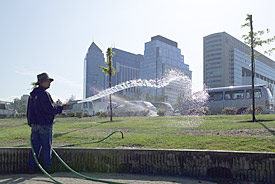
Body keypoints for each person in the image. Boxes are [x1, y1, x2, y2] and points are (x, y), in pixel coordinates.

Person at [27, 72, 71, 174]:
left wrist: (31, 123)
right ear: (42, 82)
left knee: (35, 148)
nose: (49, 83)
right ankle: (47, 168)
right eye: (48, 81)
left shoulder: (32, 95)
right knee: (46, 147)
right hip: (45, 125)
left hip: (34, 125)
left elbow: (29, 111)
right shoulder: (44, 94)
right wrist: (61, 108)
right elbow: (50, 109)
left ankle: (31, 168)